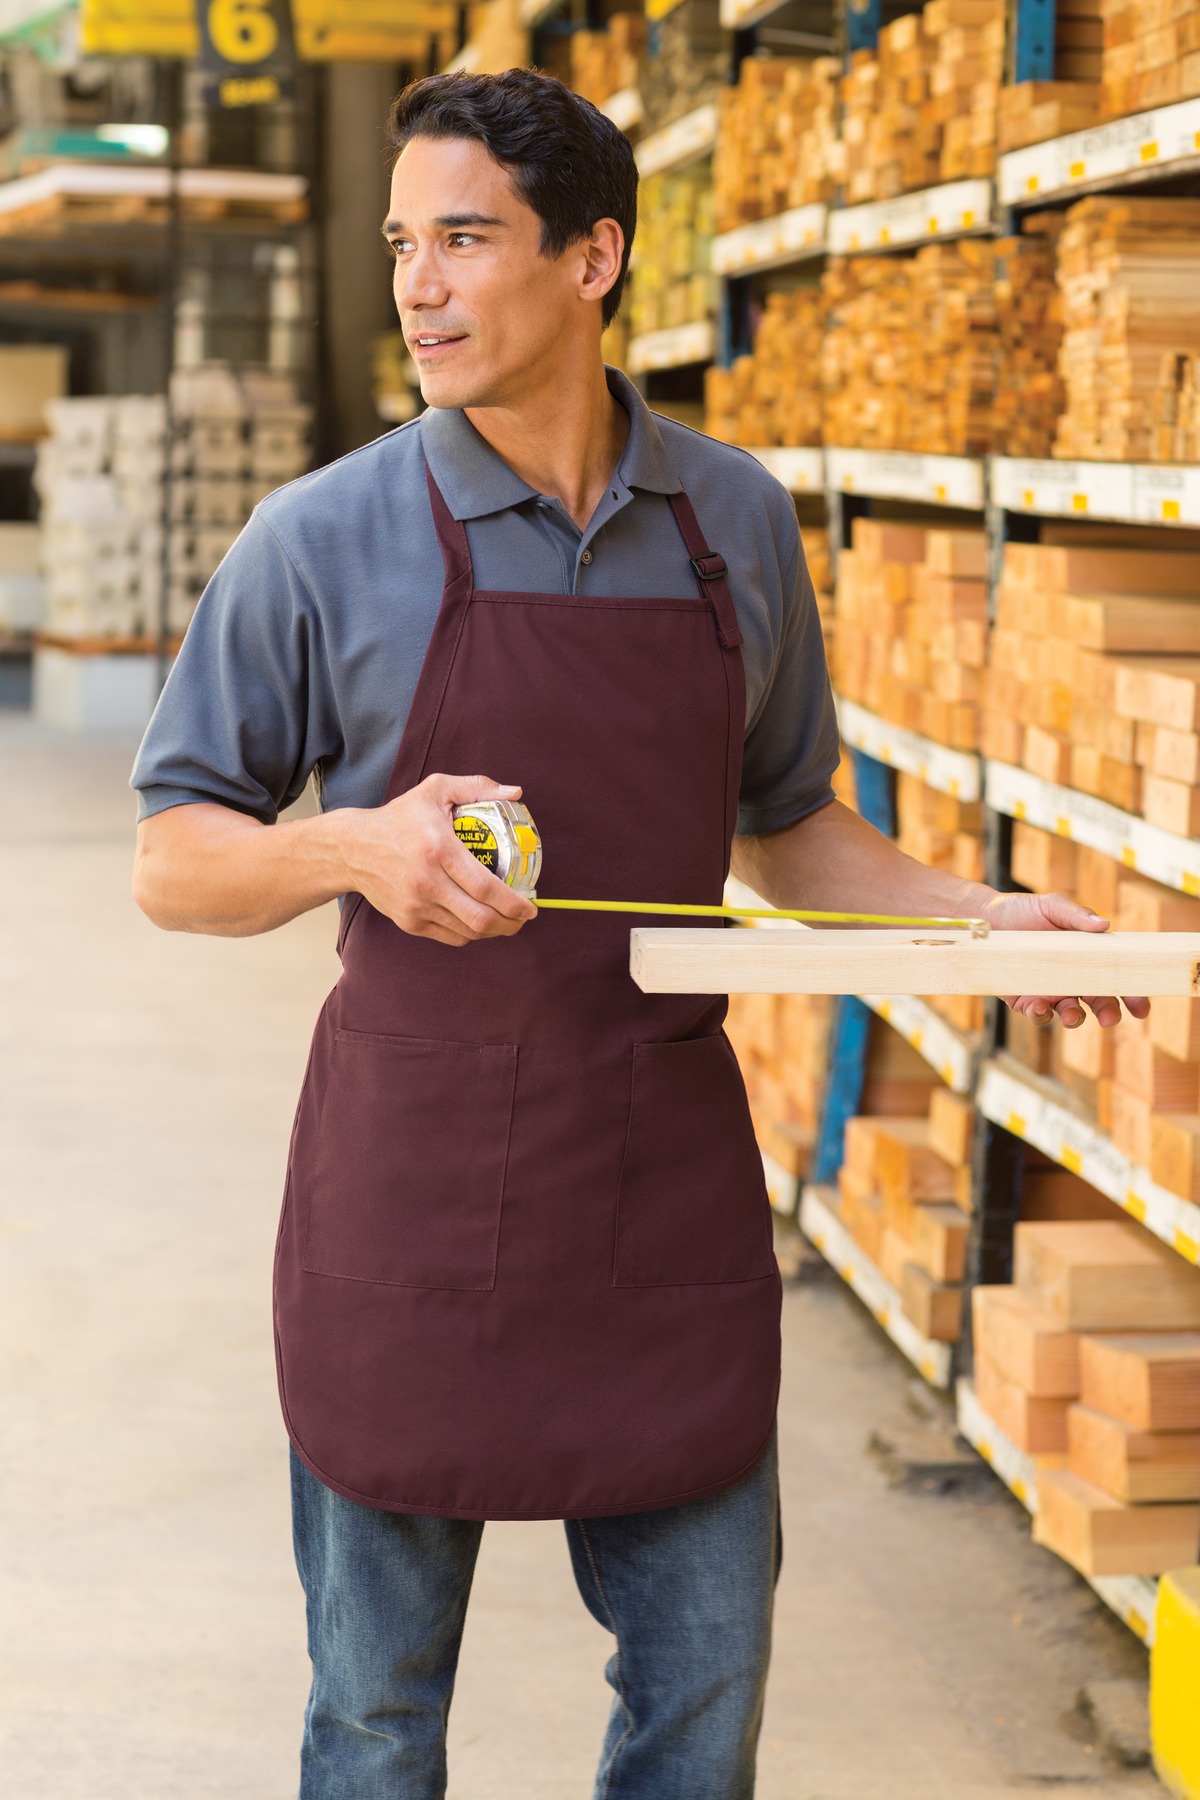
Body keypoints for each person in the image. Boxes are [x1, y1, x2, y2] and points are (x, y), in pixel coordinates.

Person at [130, 67, 1146, 1800]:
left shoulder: (731, 523)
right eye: (403, 244)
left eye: (466, 238)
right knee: (373, 1718)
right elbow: (175, 853)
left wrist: (978, 917)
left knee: (703, 1694)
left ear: (595, 258)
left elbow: (793, 823)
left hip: (659, 1176)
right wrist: (355, 848)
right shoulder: (323, 537)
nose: (420, 287)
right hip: (414, 1187)